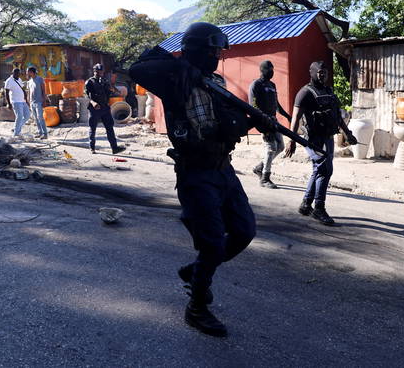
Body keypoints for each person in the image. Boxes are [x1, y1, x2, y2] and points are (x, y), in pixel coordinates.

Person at [129, 22, 276, 338]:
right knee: (211, 244)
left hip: (223, 169)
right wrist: (184, 69)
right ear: (196, 50)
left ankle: (195, 272)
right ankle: (196, 308)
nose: (216, 56)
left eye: (218, 51)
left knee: (243, 231)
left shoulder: (217, 83)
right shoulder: (175, 80)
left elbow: (228, 123)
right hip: (195, 173)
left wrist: (257, 120)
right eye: (211, 50)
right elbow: (137, 67)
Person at [284, 61, 357, 226]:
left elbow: (337, 115)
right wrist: (292, 140)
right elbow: (295, 118)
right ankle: (319, 208)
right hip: (313, 139)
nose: (323, 75)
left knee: (320, 170)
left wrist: (348, 133)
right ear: (312, 72)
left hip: (328, 137)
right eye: (319, 72)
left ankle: (305, 204)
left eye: (325, 72)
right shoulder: (304, 93)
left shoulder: (329, 91)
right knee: (325, 168)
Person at [248, 60, 291, 188]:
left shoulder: (272, 85)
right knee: (271, 148)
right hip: (263, 121)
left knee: (281, 147)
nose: (272, 72)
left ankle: (259, 168)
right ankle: (265, 179)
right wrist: (262, 121)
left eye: (273, 69)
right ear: (262, 70)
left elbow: (276, 104)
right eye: (269, 69)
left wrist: (287, 116)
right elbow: (253, 106)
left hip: (274, 121)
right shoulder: (255, 85)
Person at [85, 64, 125, 154]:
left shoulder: (104, 81)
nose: (100, 73)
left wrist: (114, 90)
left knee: (110, 128)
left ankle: (114, 148)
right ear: (94, 71)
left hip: (105, 108)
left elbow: (110, 92)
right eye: (98, 72)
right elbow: (86, 95)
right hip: (94, 108)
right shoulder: (89, 82)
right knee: (93, 128)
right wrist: (93, 102)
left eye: (101, 72)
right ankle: (92, 148)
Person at [4, 67, 31, 139]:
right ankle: (16, 133)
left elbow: (22, 89)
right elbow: (6, 93)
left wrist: (26, 100)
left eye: (19, 74)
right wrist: (8, 103)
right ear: (13, 73)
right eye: (17, 73)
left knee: (27, 115)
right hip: (15, 101)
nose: (18, 75)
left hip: (22, 101)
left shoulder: (19, 79)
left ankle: (16, 128)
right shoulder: (9, 81)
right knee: (19, 116)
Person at [26, 66, 48, 139]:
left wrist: (44, 101)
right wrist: (28, 100)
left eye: (28, 71)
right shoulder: (29, 81)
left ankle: (45, 134)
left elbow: (43, 91)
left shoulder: (40, 79)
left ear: (32, 72)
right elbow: (29, 92)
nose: (27, 73)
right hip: (32, 102)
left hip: (39, 102)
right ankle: (40, 132)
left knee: (40, 118)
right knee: (35, 118)